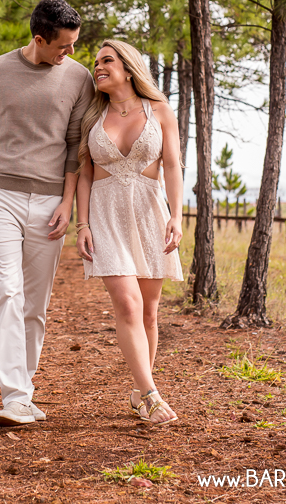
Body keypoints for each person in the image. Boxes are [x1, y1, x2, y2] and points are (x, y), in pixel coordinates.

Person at [0, 0, 95, 427]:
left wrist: (67, 204)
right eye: (64, 46)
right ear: (39, 38)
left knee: (35, 304)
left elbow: (76, 146)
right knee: (5, 292)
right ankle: (15, 396)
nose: (69, 53)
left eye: (74, 45)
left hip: (50, 202)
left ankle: (24, 390)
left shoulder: (79, 78)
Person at [75, 38, 183, 426]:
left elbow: (173, 166)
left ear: (128, 66)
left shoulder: (160, 111)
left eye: (107, 60)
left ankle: (140, 390)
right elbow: (85, 174)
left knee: (150, 313)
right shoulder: (91, 116)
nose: (98, 67)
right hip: (105, 214)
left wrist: (177, 216)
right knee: (127, 304)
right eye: (96, 62)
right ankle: (152, 395)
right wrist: (82, 223)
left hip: (150, 211)